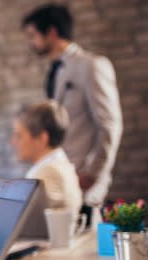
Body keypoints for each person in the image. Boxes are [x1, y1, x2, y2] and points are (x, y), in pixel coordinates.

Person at [22, 4, 123, 224]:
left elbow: (110, 125)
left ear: (51, 32)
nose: (30, 43)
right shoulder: (54, 71)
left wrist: (93, 172)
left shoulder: (92, 66)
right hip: (64, 178)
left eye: (33, 35)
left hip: (85, 183)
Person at [11, 101, 82, 216]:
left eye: (19, 135)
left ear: (42, 138)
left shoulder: (49, 173)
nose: (13, 142)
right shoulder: (58, 165)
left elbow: (21, 220)